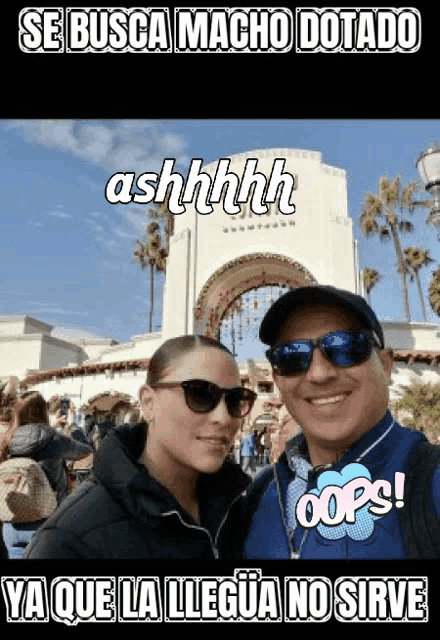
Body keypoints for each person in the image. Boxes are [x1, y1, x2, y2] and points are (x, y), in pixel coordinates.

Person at [239, 285, 440, 559]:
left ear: (386, 365)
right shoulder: (260, 493)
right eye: (291, 357)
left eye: (346, 347)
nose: (319, 374)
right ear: (278, 381)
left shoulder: (430, 481)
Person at [24, 335, 257, 559]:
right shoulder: (70, 540)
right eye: (200, 394)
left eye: (235, 400)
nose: (224, 418)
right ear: (149, 403)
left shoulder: (241, 505)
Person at [2, 390, 93, 559]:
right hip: (46, 522)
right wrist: (70, 427)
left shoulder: (8, 438)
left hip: (12, 521)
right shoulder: (54, 439)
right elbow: (86, 451)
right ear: (42, 410)